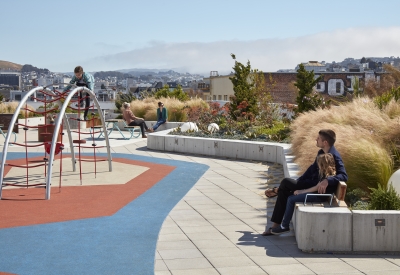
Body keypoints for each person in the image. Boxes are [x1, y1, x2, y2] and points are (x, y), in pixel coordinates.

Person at [262, 129, 348, 236]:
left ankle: (277, 190)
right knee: (284, 192)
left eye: (318, 138)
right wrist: (299, 181)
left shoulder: (335, 156)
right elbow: (311, 169)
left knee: (285, 182)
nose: (316, 140)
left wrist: (327, 180)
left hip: (317, 189)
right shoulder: (321, 152)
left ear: (325, 142)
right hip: (311, 183)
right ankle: (275, 226)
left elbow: (344, 176)